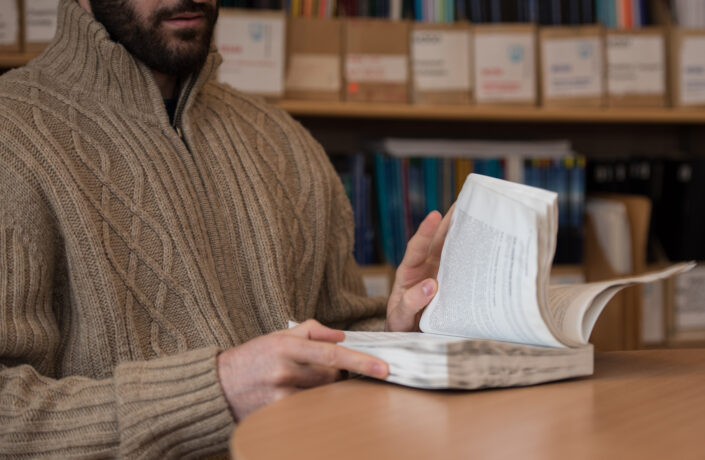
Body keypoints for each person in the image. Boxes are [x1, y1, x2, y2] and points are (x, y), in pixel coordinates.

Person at [0, 0, 451, 457]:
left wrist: (400, 331)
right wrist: (213, 393)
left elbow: (336, 335)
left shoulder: (283, 138)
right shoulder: (10, 135)